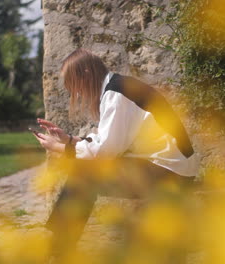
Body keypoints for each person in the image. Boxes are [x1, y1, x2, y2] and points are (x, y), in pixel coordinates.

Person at [33, 48, 200, 263]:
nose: (76, 94)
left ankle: (58, 250)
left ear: (86, 73)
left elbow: (106, 152)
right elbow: (108, 142)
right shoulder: (117, 87)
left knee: (83, 174)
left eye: (74, 86)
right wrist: (68, 140)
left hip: (169, 170)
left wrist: (62, 149)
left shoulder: (117, 92)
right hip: (171, 166)